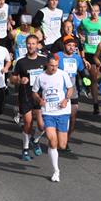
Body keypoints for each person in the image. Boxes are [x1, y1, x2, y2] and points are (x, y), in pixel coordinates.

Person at [31, 53, 73, 183]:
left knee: (62, 144)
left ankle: (42, 142)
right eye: (51, 66)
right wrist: (39, 99)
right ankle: (56, 171)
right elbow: (34, 92)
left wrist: (66, 99)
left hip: (62, 111)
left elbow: (70, 88)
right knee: (52, 140)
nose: (54, 68)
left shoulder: (63, 74)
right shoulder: (40, 77)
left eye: (56, 66)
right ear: (47, 65)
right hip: (48, 112)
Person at [10, 35, 48, 161]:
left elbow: (51, 75)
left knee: (42, 126)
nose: (31, 46)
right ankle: (25, 149)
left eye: (33, 43)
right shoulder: (21, 61)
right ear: (26, 45)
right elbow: (12, 78)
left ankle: (35, 139)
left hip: (40, 96)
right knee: (28, 123)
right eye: (29, 44)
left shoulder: (44, 60)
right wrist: (20, 80)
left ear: (38, 45)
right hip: (26, 96)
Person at [79, 3, 101, 114]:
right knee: (94, 77)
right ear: (89, 12)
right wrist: (81, 36)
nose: (94, 13)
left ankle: (96, 86)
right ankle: (96, 104)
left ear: (99, 12)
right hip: (90, 51)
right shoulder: (85, 22)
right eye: (92, 11)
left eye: (96, 11)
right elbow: (79, 29)